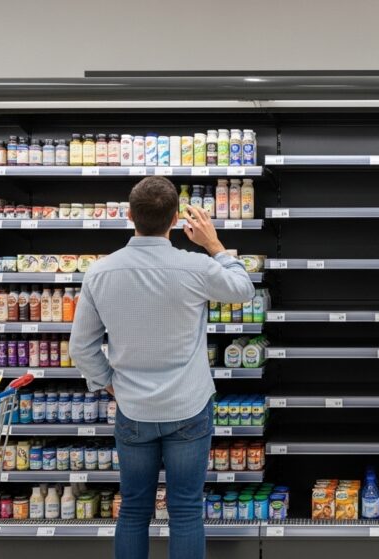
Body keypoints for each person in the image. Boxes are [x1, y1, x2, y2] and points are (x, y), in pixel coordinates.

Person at [69, 176, 254, 559]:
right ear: (175, 219)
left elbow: (81, 347)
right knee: (186, 510)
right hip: (188, 406)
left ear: (130, 215)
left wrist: (109, 382)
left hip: (134, 408)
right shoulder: (195, 266)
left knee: (134, 509)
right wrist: (214, 244)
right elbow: (243, 289)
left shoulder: (101, 272)